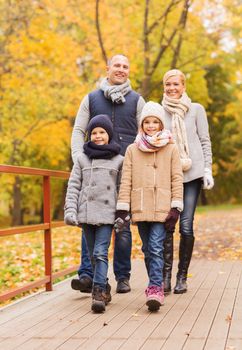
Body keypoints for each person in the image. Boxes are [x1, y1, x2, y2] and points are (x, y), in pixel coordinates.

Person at [71, 54, 145, 294]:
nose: (121, 69)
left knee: (122, 225)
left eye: (125, 66)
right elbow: (79, 129)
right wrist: (78, 160)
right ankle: (87, 275)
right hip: (93, 171)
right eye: (117, 65)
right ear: (108, 68)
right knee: (89, 221)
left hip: (123, 172)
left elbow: (144, 134)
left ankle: (123, 276)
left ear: (129, 70)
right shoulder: (92, 98)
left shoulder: (136, 100)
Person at [115, 101, 183, 311]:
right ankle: (155, 284)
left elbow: (177, 178)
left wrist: (175, 207)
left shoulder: (171, 148)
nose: (151, 125)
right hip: (140, 206)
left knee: (155, 247)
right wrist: (123, 208)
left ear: (161, 125)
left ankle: (155, 288)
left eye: (155, 122)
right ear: (141, 124)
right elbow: (126, 179)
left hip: (163, 207)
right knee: (147, 248)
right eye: (147, 122)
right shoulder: (132, 149)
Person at [161, 69, 214, 295]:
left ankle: (182, 276)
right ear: (164, 87)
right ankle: (164, 277)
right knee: (167, 226)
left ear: (183, 86)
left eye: (176, 84)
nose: (172, 88)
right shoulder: (159, 111)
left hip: (191, 175)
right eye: (168, 85)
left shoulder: (196, 110)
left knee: (186, 226)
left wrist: (207, 169)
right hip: (167, 176)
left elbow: (204, 141)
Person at [64, 114, 123, 313]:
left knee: (100, 253)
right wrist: (71, 210)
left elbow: (123, 188)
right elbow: (73, 186)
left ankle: (98, 292)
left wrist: (123, 213)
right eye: (94, 133)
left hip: (107, 214)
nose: (98, 136)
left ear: (109, 135)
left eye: (102, 132)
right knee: (91, 255)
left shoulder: (118, 160)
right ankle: (104, 285)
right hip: (86, 214)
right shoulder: (82, 159)